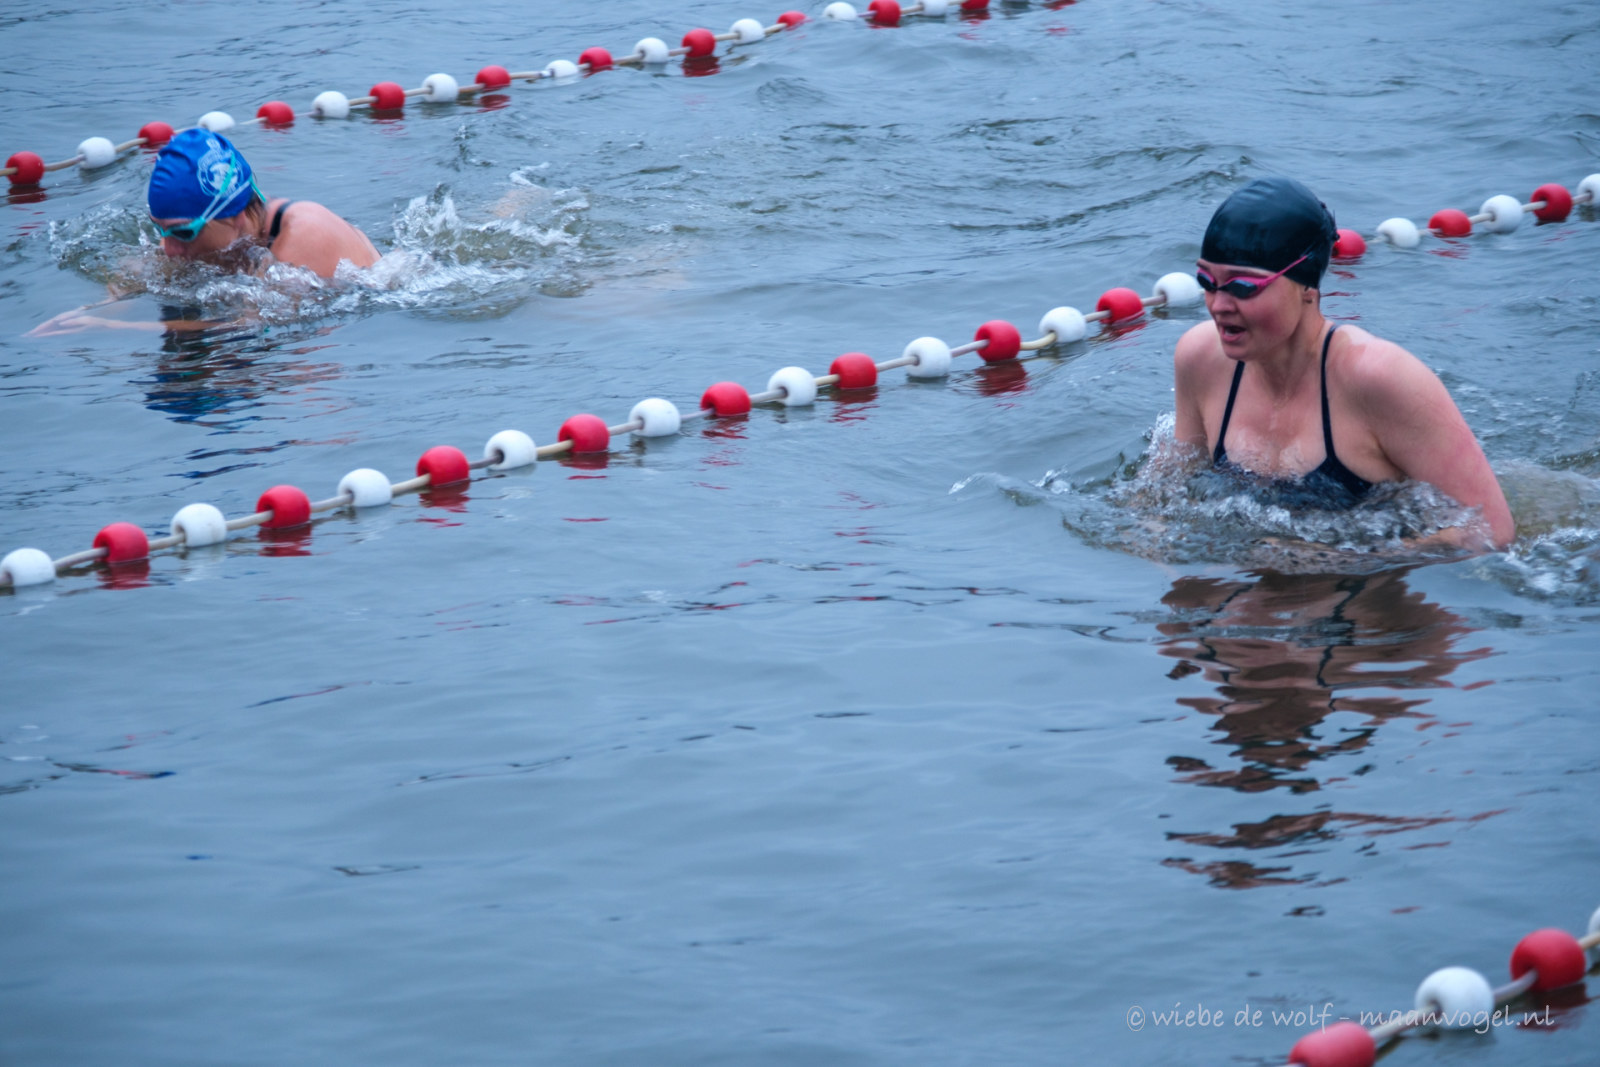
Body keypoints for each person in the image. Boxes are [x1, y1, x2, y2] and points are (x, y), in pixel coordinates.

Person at [1172, 176, 1515, 549]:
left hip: (1371, 583)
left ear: (1307, 286)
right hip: (1256, 573)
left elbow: (1491, 531)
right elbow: (1166, 491)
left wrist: (1336, 562)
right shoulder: (1201, 358)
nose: (1219, 305)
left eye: (1243, 287)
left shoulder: (1379, 377)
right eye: (1206, 281)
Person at [27, 129, 379, 335]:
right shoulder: (217, 234)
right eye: (160, 229)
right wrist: (101, 308)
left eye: (183, 233)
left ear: (235, 216)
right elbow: (141, 276)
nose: (168, 247)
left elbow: (248, 326)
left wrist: (112, 327)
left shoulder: (305, 234)